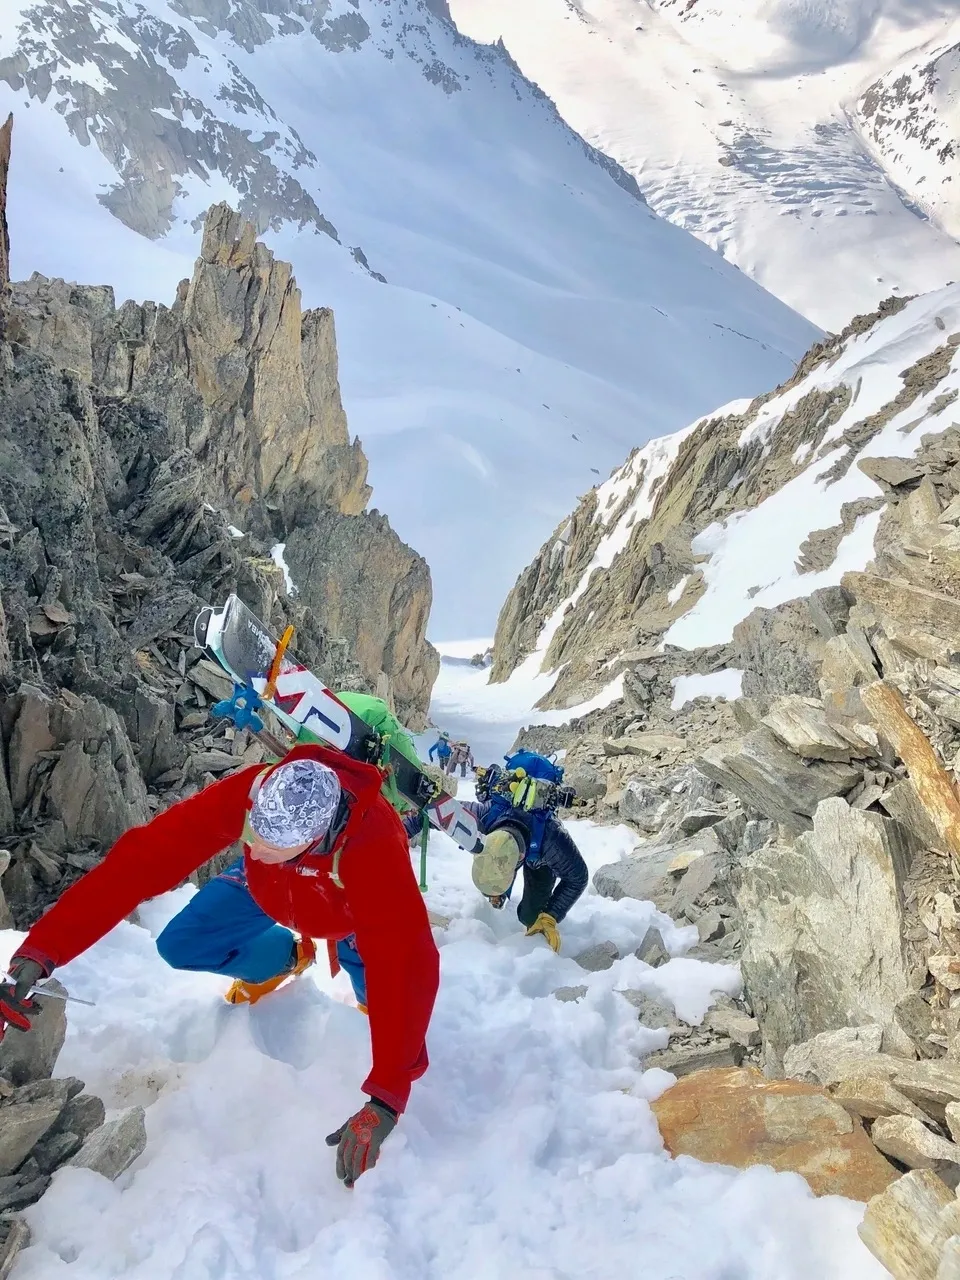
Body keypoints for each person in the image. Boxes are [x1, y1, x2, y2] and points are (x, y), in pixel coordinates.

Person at [0, 745, 439, 1188]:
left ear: (315, 839)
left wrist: (386, 1096)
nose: (254, 847)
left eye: (271, 845)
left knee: (386, 1002)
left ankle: (352, 975)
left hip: (347, 912)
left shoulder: (373, 845)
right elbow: (145, 859)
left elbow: (408, 964)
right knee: (182, 943)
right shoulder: (255, 793)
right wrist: (42, 951)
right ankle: (284, 958)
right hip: (268, 891)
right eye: (252, 834)